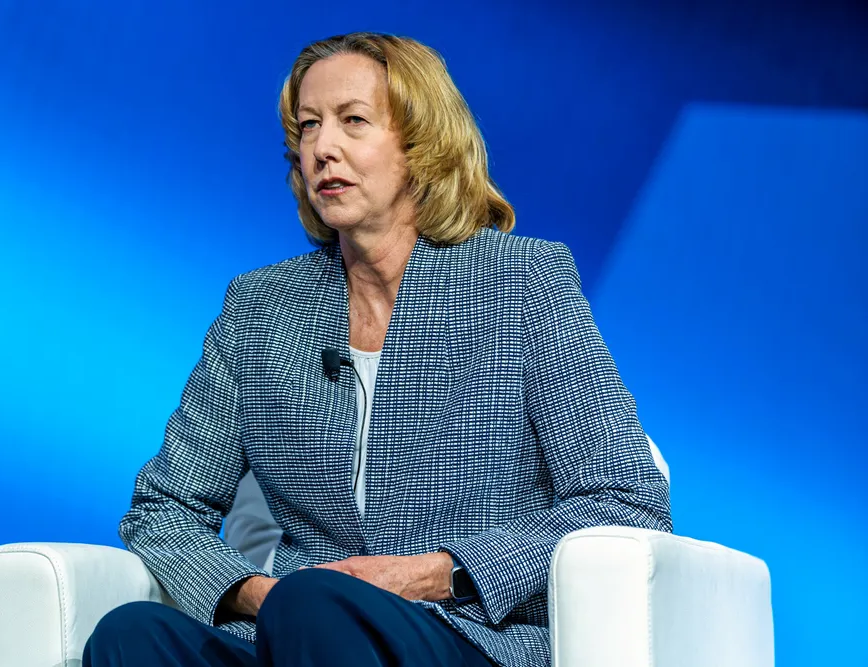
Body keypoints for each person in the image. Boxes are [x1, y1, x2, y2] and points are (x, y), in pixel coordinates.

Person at [83, 31, 673, 667]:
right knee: (131, 635)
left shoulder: (520, 281)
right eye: (309, 126)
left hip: (463, 635)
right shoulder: (261, 306)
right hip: (299, 626)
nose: (322, 148)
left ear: (421, 146)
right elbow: (166, 507)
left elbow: (626, 501)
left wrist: (437, 573)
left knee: (320, 606)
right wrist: (260, 595)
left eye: (353, 121)